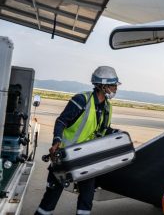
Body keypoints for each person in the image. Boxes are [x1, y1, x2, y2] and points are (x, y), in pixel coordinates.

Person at [35, 66, 121, 215]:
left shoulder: (107, 107)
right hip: (65, 157)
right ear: (103, 85)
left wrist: (115, 132)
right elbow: (61, 121)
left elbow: (102, 129)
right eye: (113, 85)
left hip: (86, 158)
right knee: (50, 200)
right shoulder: (82, 100)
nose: (115, 89)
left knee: (86, 200)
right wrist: (56, 141)